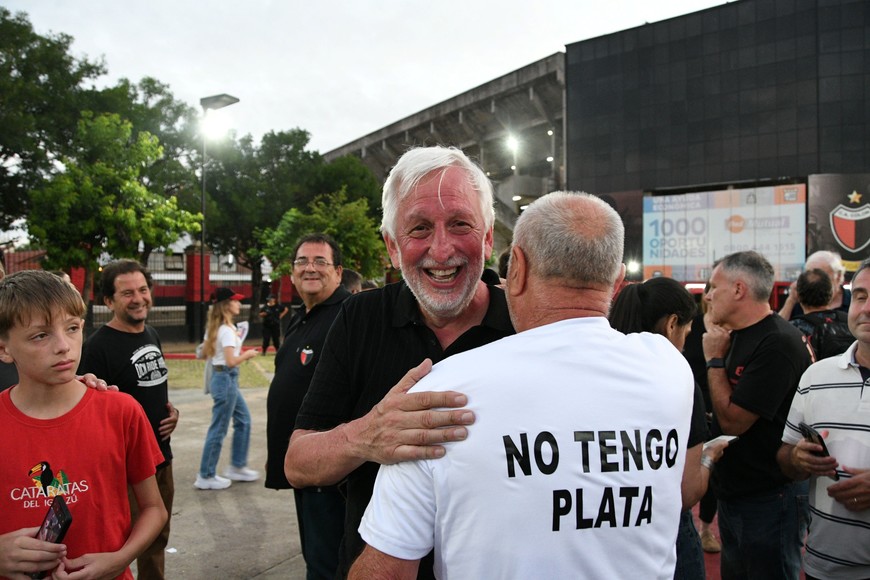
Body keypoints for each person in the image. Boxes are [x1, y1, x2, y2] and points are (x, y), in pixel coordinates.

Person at [349, 191, 693, 579]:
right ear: (617, 283)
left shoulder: (443, 392)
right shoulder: (670, 368)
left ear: (518, 270)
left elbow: (386, 571)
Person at [284, 146, 515, 579]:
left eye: (460, 224)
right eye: (420, 228)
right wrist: (366, 436)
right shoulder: (359, 319)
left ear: (487, 238)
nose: (441, 250)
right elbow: (298, 462)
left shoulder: (527, 323)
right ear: (392, 246)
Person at [0, 270, 167, 579]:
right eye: (41, 335)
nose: (64, 346)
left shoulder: (121, 411)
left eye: (73, 328)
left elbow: (154, 509)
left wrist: (119, 559)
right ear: (4, 348)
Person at [609, 277, 730, 580]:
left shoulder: (598, 375)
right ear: (672, 325)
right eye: (687, 332)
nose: (685, 341)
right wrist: (709, 457)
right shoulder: (676, 384)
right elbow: (687, 492)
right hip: (663, 529)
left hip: (602, 525)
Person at [703, 250, 813, 579]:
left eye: (714, 287)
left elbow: (734, 421)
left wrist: (714, 361)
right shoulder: (732, 336)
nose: (708, 295)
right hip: (738, 493)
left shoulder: (777, 341)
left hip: (769, 497)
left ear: (739, 289)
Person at [78, 259, 179, 580]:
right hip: (125, 469)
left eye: (143, 289)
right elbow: (84, 410)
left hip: (162, 458)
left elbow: (149, 385)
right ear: (108, 301)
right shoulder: (95, 348)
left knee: (157, 539)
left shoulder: (151, 333)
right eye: (127, 293)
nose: (138, 298)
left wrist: (170, 410)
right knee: (122, 545)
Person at [265, 233, 351, 580]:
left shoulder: (347, 316)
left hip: (330, 472)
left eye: (320, 261)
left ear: (339, 272)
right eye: (302, 261)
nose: (310, 268)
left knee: (327, 565)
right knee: (315, 558)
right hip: (303, 467)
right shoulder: (301, 316)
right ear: (291, 272)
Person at [777, 259, 869, 579]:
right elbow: (785, 458)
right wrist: (797, 458)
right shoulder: (816, 376)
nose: (866, 308)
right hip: (822, 564)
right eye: (859, 296)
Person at [195, 287, 260, 490]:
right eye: (235, 301)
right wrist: (248, 354)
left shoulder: (217, 328)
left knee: (244, 420)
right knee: (219, 428)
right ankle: (206, 475)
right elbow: (232, 361)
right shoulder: (226, 330)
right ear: (226, 305)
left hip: (222, 378)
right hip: (226, 379)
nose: (239, 304)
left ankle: (237, 466)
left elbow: (205, 353)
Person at [790, 268, 855, 361]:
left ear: (799, 296)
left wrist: (790, 300)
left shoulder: (795, 329)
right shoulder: (849, 322)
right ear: (831, 294)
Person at [779, 250, 851, 320]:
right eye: (809, 275)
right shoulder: (799, 299)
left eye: (821, 276)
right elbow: (778, 327)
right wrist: (791, 301)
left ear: (838, 276)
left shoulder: (852, 300)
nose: (814, 280)